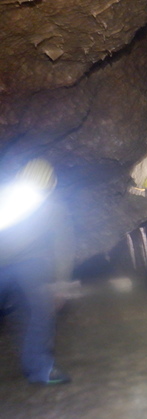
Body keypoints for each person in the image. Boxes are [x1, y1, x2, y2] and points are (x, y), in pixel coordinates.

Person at [0, 158, 74, 385]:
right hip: (28, 264)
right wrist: (61, 284)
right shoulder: (54, 207)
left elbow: (63, 246)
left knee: (41, 310)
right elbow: (63, 247)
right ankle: (40, 368)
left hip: (27, 263)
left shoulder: (8, 197)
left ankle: (41, 368)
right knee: (41, 311)